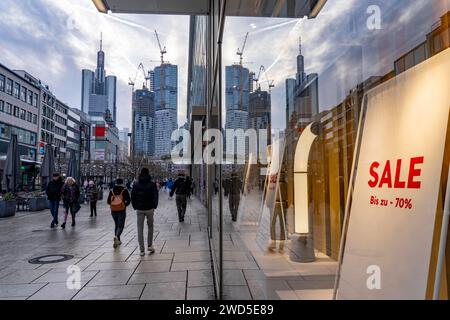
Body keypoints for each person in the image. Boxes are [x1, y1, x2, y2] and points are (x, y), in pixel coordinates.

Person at [131, 168, 159, 256]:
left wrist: (135, 206)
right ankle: (150, 245)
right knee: (150, 226)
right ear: (148, 173)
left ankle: (141, 250)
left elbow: (133, 196)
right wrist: (154, 205)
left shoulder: (136, 184)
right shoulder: (152, 184)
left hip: (139, 208)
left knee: (140, 228)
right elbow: (155, 195)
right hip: (149, 208)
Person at [107, 178, 131, 248]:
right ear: (122, 182)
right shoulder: (124, 190)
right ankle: (117, 237)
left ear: (116, 182)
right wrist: (124, 205)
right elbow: (129, 200)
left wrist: (113, 204)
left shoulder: (112, 190)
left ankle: (118, 240)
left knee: (116, 225)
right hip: (121, 210)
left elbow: (108, 201)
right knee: (121, 226)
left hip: (113, 211)